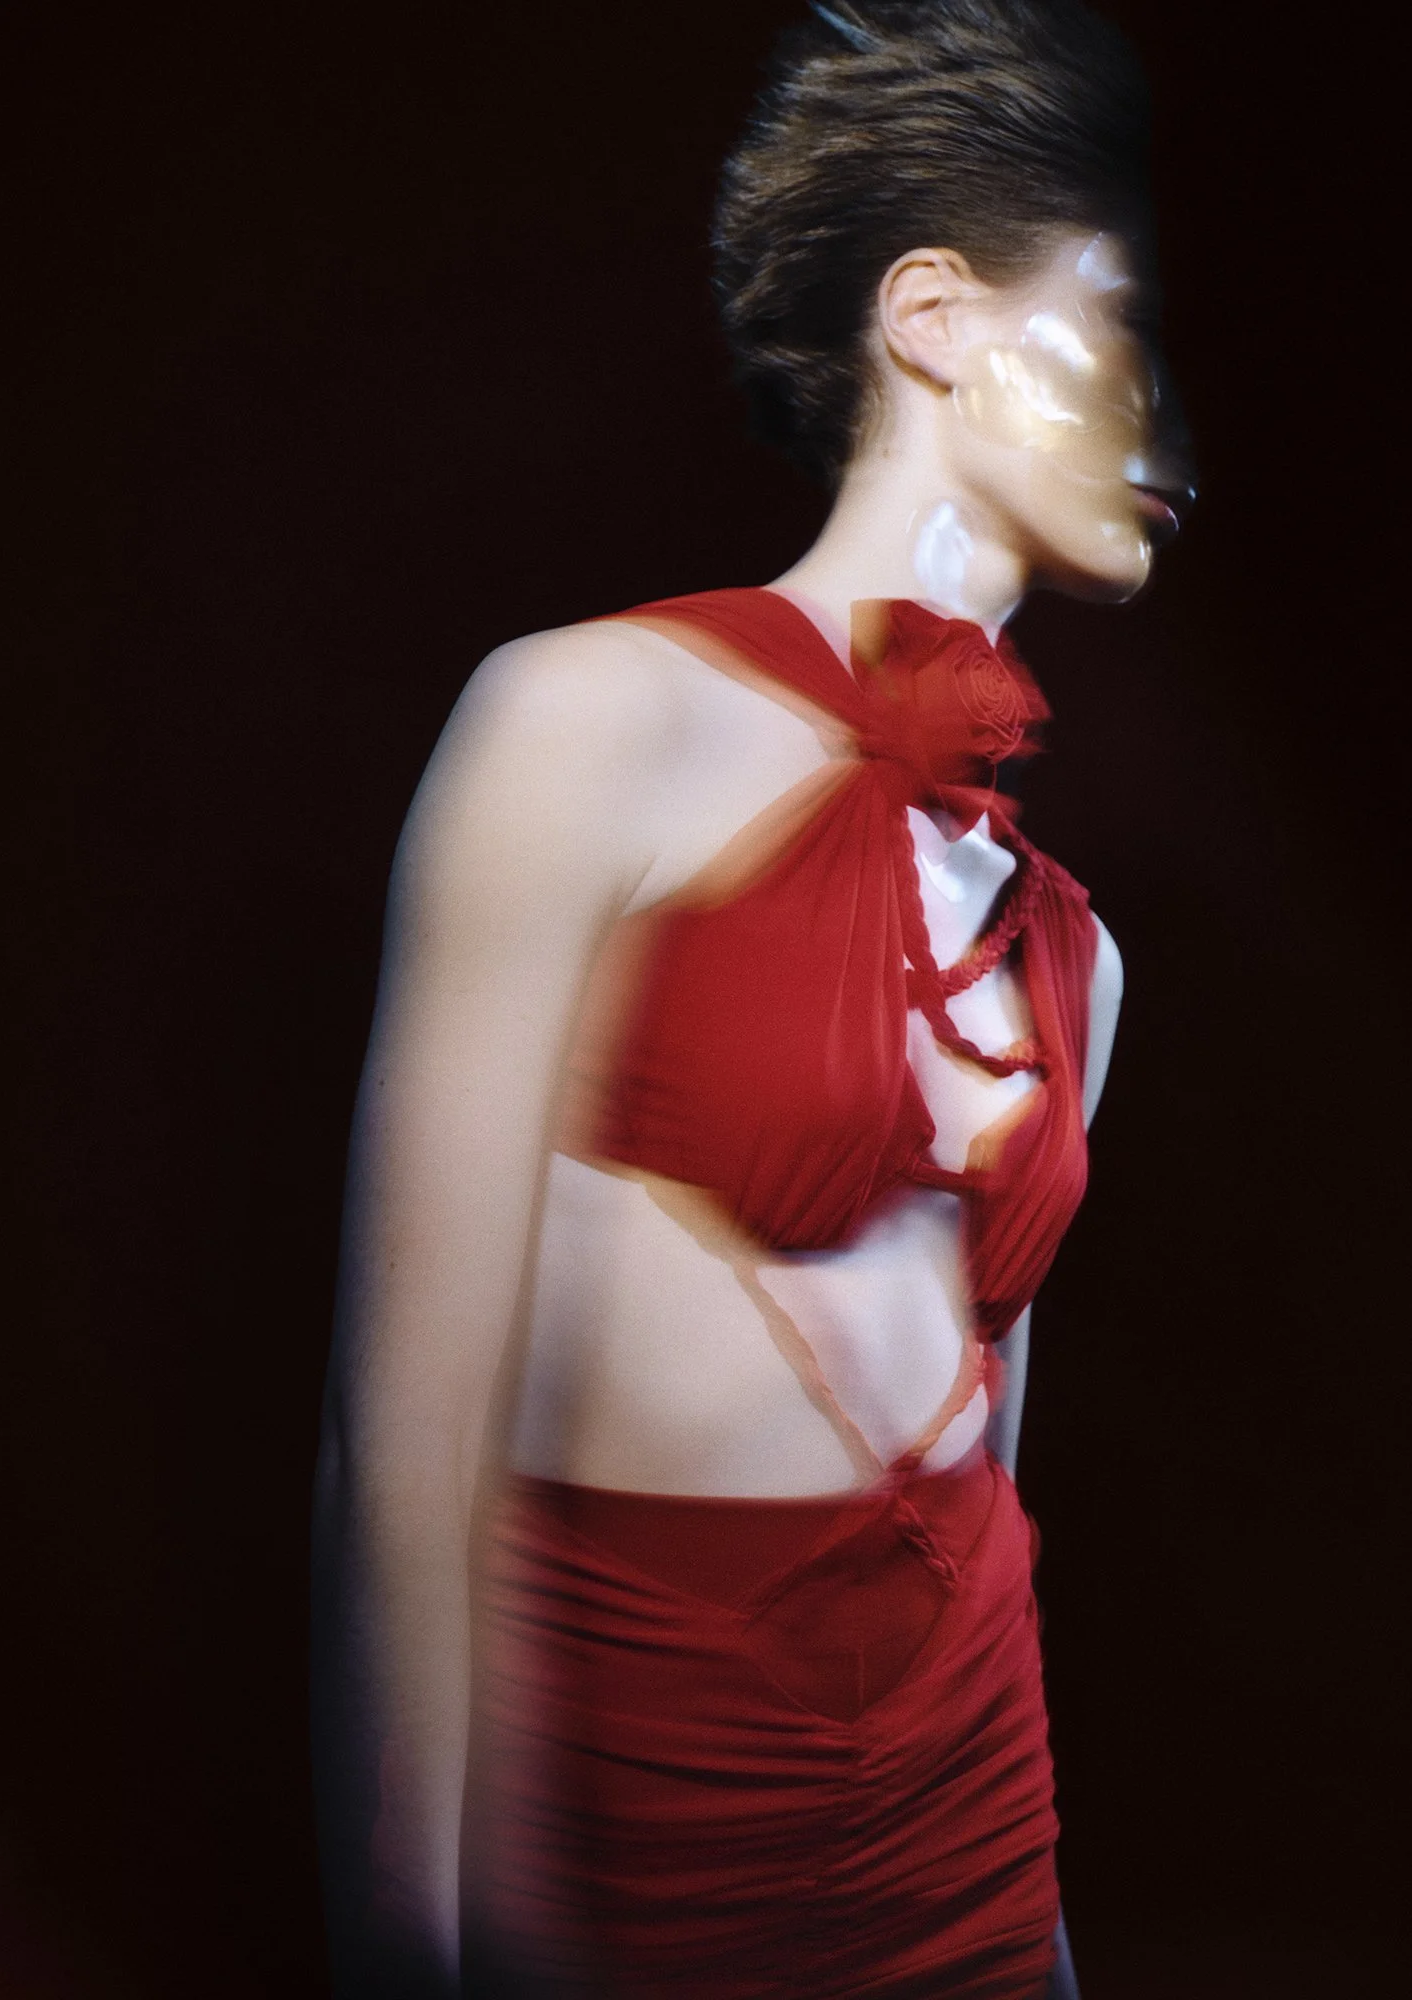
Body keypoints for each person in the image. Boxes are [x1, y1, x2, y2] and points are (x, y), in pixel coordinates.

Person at [311, 3, 1193, 1994]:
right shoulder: (581, 721)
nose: (1171, 425)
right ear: (936, 315)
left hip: (965, 1847)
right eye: (1121, 324)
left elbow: (991, 1481)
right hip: (651, 1846)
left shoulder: (1077, 952)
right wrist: (408, 1949)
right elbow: (402, 1434)